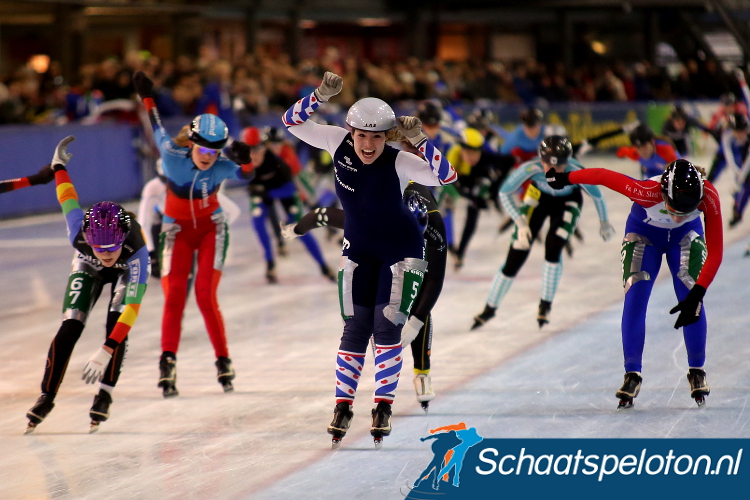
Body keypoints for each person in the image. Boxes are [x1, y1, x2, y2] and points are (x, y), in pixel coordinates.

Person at [282, 71, 457, 448]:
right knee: (355, 328)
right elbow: (290, 122)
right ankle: (343, 406)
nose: (367, 145)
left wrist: (420, 141)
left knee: (386, 325)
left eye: (376, 137)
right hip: (359, 246)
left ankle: (382, 406)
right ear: (351, 132)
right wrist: (319, 95)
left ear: (386, 137)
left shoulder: (398, 160)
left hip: (400, 249)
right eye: (361, 135)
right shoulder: (335, 141)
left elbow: (447, 177)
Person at [546, 159, 723, 409]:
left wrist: (699, 292)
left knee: (691, 298)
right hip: (644, 235)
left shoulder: (710, 196)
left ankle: (697, 369)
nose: (676, 217)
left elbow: (716, 251)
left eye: (685, 212)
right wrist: (565, 178)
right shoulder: (646, 192)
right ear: (663, 194)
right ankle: (632, 373)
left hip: (686, 238)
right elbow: (602, 174)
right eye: (673, 209)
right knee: (635, 299)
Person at [133, 71, 254, 397]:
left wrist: (245, 161)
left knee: (204, 295)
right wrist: (147, 95)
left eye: (216, 151)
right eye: (203, 150)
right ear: (193, 144)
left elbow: (248, 171)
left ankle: (223, 359)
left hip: (211, 229)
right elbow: (155, 126)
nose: (209, 157)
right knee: (174, 297)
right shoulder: (173, 158)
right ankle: (168, 360)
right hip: (176, 230)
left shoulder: (222, 164)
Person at [281, 180, 446, 411]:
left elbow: (435, 278)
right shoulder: (369, 214)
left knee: (415, 300)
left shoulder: (434, 226)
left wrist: (417, 322)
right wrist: (296, 228)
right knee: (376, 302)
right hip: (383, 234)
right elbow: (324, 215)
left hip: (400, 224)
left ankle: (422, 371)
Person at [25, 136, 150, 434]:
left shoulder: (137, 250)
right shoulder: (79, 235)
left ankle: (105, 393)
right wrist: (58, 167)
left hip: (126, 271)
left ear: (122, 240)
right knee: (69, 328)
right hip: (85, 265)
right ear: (88, 241)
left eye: (111, 249)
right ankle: (47, 395)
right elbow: (67, 197)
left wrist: (107, 349)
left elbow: (131, 308)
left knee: (115, 325)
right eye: (99, 248)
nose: (105, 255)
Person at [471, 135, 614, 330]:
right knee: (516, 254)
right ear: (541, 161)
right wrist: (520, 223)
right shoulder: (531, 168)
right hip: (539, 199)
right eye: (550, 167)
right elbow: (504, 192)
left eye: (561, 167)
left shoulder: (576, 170)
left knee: (553, 247)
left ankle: (545, 305)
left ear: (568, 163)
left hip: (567, 202)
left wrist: (605, 222)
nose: (555, 172)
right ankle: (489, 308)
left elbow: (597, 196)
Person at [242, 126, 336, 283]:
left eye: (258, 150)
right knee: (258, 219)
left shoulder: (283, 159)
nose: (254, 155)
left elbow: (295, 187)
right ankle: (270, 262)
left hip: (284, 189)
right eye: (249, 151)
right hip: (265, 192)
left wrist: (304, 204)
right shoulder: (244, 158)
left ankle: (323, 265)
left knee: (298, 227)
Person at [448, 128, 514, 269]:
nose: (473, 157)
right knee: (472, 210)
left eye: (476, 153)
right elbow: (453, 187)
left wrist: (495, 189)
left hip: (478, 178)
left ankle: (460, 253)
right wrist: (471, 197)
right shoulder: (453, 156)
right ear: (461, 150)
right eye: (469, 153)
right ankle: (460, 253)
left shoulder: (485, 156)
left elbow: (510, 161)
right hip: (460, 180)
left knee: (479, 195)